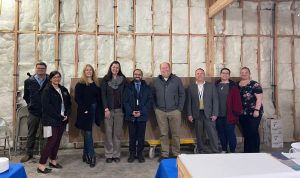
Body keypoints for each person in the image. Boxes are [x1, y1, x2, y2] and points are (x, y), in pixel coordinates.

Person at [37, 71, 71, 174]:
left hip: (62, 120)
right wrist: (60, 117)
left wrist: (67, 114)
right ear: (50, 79)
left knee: (57, 141)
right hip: (50, 120)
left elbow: (69, 103)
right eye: (54, 77)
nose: (57, 79)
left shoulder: (63, 89)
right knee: (51, 142)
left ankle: (53, 161)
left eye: (58, 77)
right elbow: (47, 108)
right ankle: (41, 165)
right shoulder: (47, 90)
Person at [153, 62, 185, 161]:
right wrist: (155, 108)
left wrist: (179, 108)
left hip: (175, 111)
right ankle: (164, 154)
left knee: (175, 134)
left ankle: (176, 153)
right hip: (160, 111)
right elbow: (152, 96)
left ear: (170, 68)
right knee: (163, 133)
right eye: (162, 68)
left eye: (166, 67)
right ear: (160, 69)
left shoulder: (177, 80)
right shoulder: (156, 81)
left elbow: (182, 94)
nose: (164, 69)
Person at [21, 62, 49, 163]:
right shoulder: (29, 81)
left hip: (46, 112)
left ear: (45, 69)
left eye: (42, 68)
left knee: (46, 133)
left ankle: (45, 154)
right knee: (31, 132)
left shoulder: (50, 80)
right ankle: (29, 153)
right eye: (39, 68)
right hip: (34, 112)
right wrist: (30, 105)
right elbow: (26, 96)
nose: (40, 70)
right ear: (36, 69)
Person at [75, 64, 102, 167]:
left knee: (87, 133)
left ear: (92, 72)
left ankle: (85, 154)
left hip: (94, 110)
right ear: (84, 72)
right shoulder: (80, 84)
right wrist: (85, 110)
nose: (89, 71)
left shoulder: (95, 84)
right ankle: (92, 156)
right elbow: (78, 99)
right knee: (88, 133)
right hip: (85, 111)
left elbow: (98, 98)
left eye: (90, 70)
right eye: (87, 70)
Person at [187, 68, 219, 153]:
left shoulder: (211, 86)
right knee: (199, 134)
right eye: (198, 73)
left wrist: (215, 113)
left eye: (201, 73)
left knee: (212, 133)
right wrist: (189, 114)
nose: (199, 75)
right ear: (195, 75)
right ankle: (201, 150)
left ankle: (215, 150)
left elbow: (215, 101)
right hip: (197, 114)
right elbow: (189, 102)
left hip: (209, 113)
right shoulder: (191, 87)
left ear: (204, 75)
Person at [123, 69, 152, 163]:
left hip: (142, 116)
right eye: (135, 74)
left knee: (141, 136)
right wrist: (131, 112)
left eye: (139, 74)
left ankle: (140, 154)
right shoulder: (128, 87)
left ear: (141, 76)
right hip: (131, 116)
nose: (137, 76)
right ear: (133, 75)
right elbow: (125, 102)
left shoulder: (147, 88)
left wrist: (141, 112)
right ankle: (132, 154)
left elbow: (149, 101)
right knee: (132, 136)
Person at [101, 61, 127, 163]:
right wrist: (106, 109)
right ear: (110, 68)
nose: (115, 69)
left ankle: (116, 154)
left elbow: (127, 93)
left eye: (117, 67)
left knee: (117, 133)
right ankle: (108, 154)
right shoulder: (105, 80)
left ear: (119, 69)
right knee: (108, 133)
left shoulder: (123, 80)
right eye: (113, 67)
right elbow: (103, 95)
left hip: (119, 110)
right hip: (109, 110)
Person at [215, 68, 242, 153]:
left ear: (229, 75)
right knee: (221, 133)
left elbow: (237, 101)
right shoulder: (216, 85)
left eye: (227, 73)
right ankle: (224, 149)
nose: (225, 75)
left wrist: (236, 114)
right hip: (218, 115)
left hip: (230, 115)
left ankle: (232, 151)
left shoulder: (233, 86)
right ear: (220, 74)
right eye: (223, 73)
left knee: (230, 134)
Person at [238, 67, 263, 153]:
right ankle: (247, 152)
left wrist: (256, 110)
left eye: (246, 72)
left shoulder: (255, 84)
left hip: (254, 112)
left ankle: (255, 151)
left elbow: (259, 98)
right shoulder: (238, 84)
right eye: (242, 72)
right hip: (242, 113)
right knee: (246, 133)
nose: (244, 74)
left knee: (253, 131)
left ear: (249, 73)